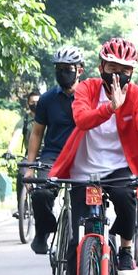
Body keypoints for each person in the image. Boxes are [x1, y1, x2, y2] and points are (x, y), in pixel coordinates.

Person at [49, 38, 138, 275]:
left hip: (119, 168)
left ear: (132, 73)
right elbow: (81, 119)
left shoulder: (137, 96)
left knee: (127, 197)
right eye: (112, 67)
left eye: (125, 70)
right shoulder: (86, 89)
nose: (118, 74)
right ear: (101, 67)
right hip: (83, 171)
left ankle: (124, 247)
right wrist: (110, 108)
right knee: (77, 244)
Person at [25, 46, 84, 254]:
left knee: (92, 201)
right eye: (59, 68)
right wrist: (30, 166)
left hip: (85, 156)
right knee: (40, 193)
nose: (63, 73)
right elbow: (37, 132)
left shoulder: (90, 96)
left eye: (67, 68)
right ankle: (44, 231)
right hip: (54, 155)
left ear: (80, 70)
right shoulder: (47, 99)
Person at [5, 91, 41, 203]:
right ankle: (21, 203)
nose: (35, 104)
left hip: (46, 155)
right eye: (32, 102)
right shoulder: (25, 120)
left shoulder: (47, 117)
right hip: (29, 155)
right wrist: (9, 150)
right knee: (21, 174)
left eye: (38, 102)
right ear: (28, 104)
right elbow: (16, 134)